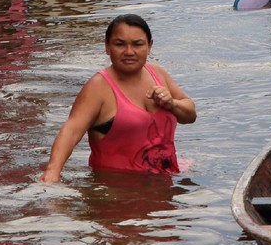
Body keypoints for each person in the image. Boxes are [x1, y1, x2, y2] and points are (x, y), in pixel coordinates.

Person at [41, 15, 196, 182]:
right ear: (107, 47)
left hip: (164, 183)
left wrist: (172, 104)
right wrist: (52, 172)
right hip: (117, 190)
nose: (129, 52)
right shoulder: (98, 87)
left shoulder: (158, 74)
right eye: (120, 44)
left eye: (137, 44)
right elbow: (71, 131)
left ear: (149, 46)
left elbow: (190, 115)